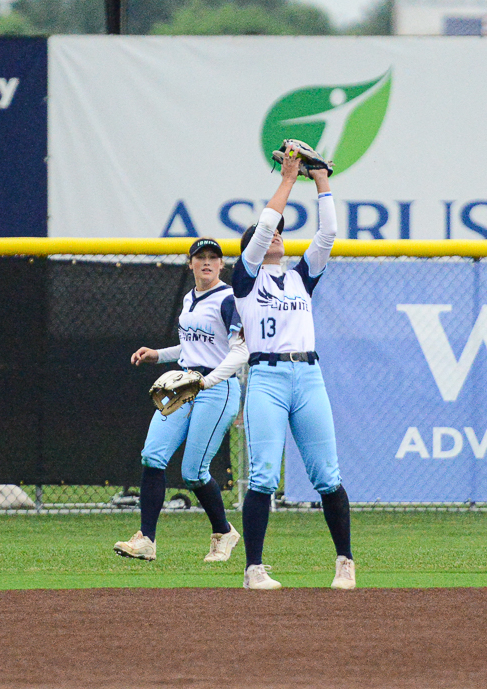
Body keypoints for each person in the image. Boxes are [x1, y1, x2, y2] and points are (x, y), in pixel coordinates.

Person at [231, 146, 354, 590]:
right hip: (267, 378)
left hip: (308, 377)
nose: (276, 237)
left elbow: (329, 233)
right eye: (267, 237)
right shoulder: (245, 279)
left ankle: (345, 562)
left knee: (327, 475)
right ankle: (254, 569)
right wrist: (287, 179)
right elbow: (266, 224)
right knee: (263, 474)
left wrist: (320, 179)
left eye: (281, 234)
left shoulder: (301, 277)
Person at [114, 237, 248, 562]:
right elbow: (190, 347)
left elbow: (241, 351)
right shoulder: (190, 298)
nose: (206, 262)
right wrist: (157, 355)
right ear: (190, 264)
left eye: (213, 257)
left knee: (193, 473)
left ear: (221, 265)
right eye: (200, 257)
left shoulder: (228, 299)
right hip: (185, 384)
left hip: (218, 388)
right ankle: (146, 539)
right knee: (152, 456)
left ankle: (224, 532)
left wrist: (209, 380)